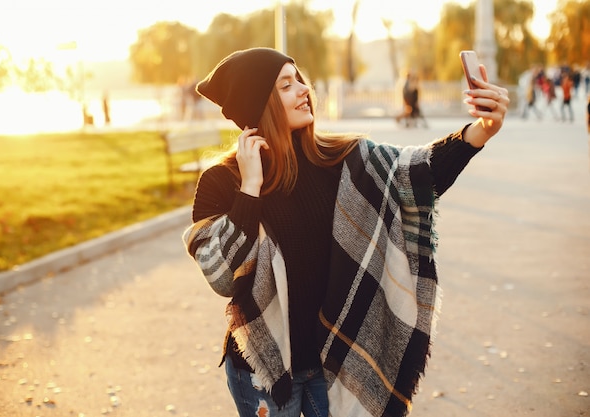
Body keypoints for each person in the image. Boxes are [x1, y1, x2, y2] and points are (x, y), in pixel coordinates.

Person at [182, 47, 508, 417]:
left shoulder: (343, 159)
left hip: (335, 360)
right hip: (265, 372)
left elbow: (418, 173)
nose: (304, 90)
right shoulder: (222, 182)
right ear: (258, 105)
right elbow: (222, 277)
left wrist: (481, 131)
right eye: (286, 85)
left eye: (299, 80)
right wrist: (250, 188)